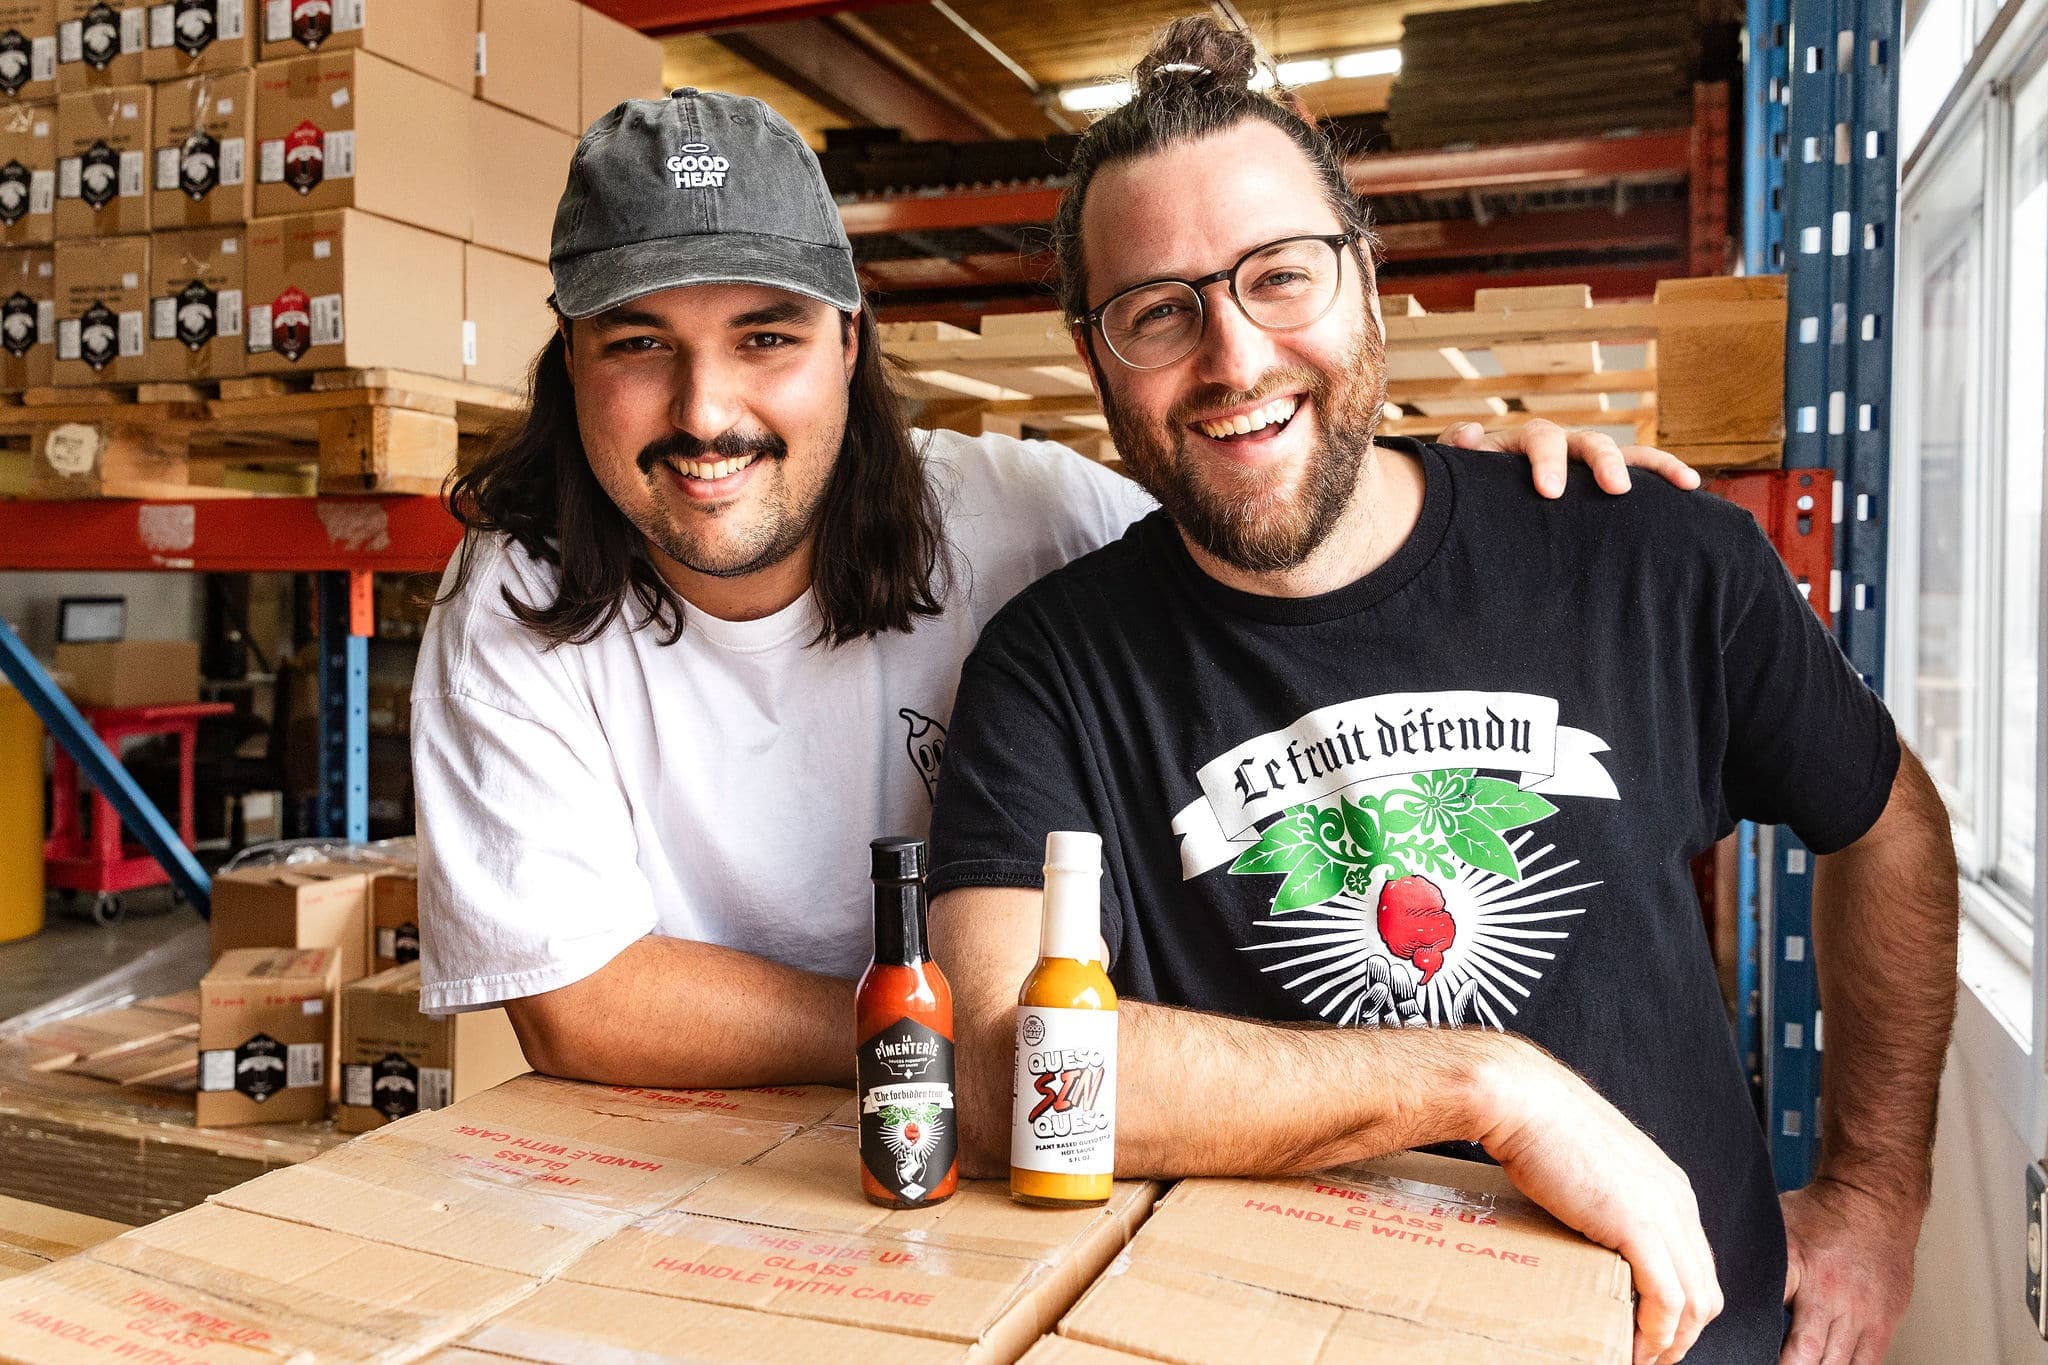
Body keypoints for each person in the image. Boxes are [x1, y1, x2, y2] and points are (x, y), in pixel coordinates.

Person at [924, 19, 1957, 1365]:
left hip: (1679, 1338)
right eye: (1158, 311)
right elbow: (1003, 1066)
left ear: (1366, 277)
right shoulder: (1053, 667)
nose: (1232, 359)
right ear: (1093, 354)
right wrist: (1480, 1083)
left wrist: (1874, 1196)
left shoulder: (1649, 556)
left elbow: (1886, 821)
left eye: (1278, 277)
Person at [410, 93, 1691, 1095]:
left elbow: (1281, 544)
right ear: (568, 360)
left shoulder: (1024, 518)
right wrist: (959, 1040)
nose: (705, 413)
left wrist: (1461, 499)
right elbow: (580, 1003)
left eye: (766, 337)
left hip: (1045, 1127)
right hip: (765, 1140)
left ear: (849, 342)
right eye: (639, 344)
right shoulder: (512, 601)